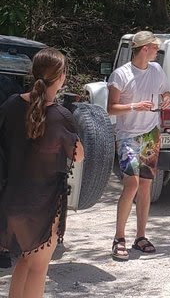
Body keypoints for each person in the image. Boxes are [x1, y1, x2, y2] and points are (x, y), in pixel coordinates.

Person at [0, 47, 85, 297]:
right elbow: (78, 156)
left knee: (25, 262)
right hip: (43, 205)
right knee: (39, 267)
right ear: (61, 78)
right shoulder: (60, 115)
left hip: (11, 201)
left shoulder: (10, 104)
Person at [107, 31, 170, 260]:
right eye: (155, 47)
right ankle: (119, 237)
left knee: (146, 185)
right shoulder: (121, 75)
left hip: (151, 134)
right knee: (132, 184)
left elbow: (166, 91)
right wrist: (135, 106)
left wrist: (166, 97)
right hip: (128, 136)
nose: (158, 50)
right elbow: (111, 108)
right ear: (145, 48)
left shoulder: (156, 70)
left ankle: (141, 236)